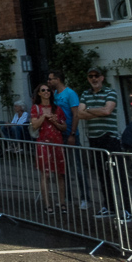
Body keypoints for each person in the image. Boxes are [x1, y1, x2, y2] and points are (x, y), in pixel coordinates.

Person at [79, 67, 132, 222]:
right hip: (94, 138)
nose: (94, 79)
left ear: (102, 78)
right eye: (90, 76)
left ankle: (127, 210)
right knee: (103, 175)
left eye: (96, 76)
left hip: (110, 138)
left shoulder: (110, 92)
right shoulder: (85, 94)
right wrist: (97, 110)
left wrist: (89, 109)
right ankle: (109, 206)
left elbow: (107, 111)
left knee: (119, 175)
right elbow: (80, 113)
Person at [47, 69, 90, 210]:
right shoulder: (54, 94)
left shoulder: (70, 94)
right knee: (63, 168)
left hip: (70, 133)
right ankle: (67, 197)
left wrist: (72, 133)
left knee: (76, 167)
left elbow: (75, 114)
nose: (49, 81)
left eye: (51, 79)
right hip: (60, 133)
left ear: (58, 79)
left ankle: (85, 198)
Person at [31, 82, 66, 215]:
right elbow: (34, 125)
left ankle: (62, 203)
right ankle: (47, 204)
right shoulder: (36, 108)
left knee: (60, 174)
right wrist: (44, 117)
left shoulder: (57, 108)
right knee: (45, 174)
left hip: (57, 142)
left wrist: (55, 121)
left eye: (48, 90)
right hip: (43, 143)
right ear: (39, 93)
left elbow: (64, 127)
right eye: (43, 90)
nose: (46, 92)